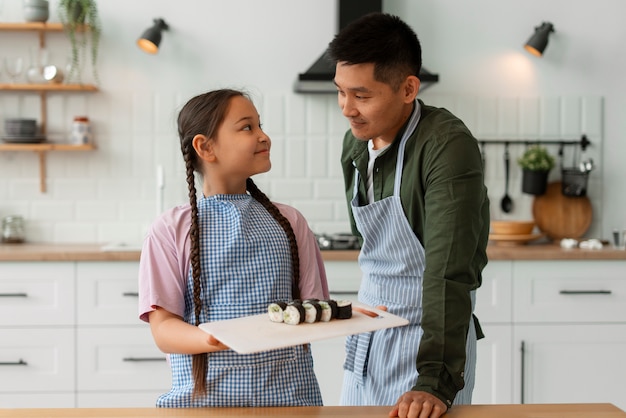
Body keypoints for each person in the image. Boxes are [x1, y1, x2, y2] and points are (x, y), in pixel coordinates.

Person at [327, 12, 490, 418]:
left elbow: (449, 271)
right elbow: (371, 248)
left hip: (429, 345)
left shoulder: (447, 146)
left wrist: (434, 381)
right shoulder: (355, 146)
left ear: (408, 88)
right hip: (367, 338)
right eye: (340, 92)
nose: (347, 109)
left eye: (361, 95)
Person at [138, 89, 329, 407]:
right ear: (205, 147)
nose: (264, 136)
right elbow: (164, 330)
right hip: (203, 405)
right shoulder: (171, 229)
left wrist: (350, 313)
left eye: (260, 125)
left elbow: (313, 311)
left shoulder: (290, 222)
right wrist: (216, 339)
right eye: (247, 127)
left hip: (292, 401)